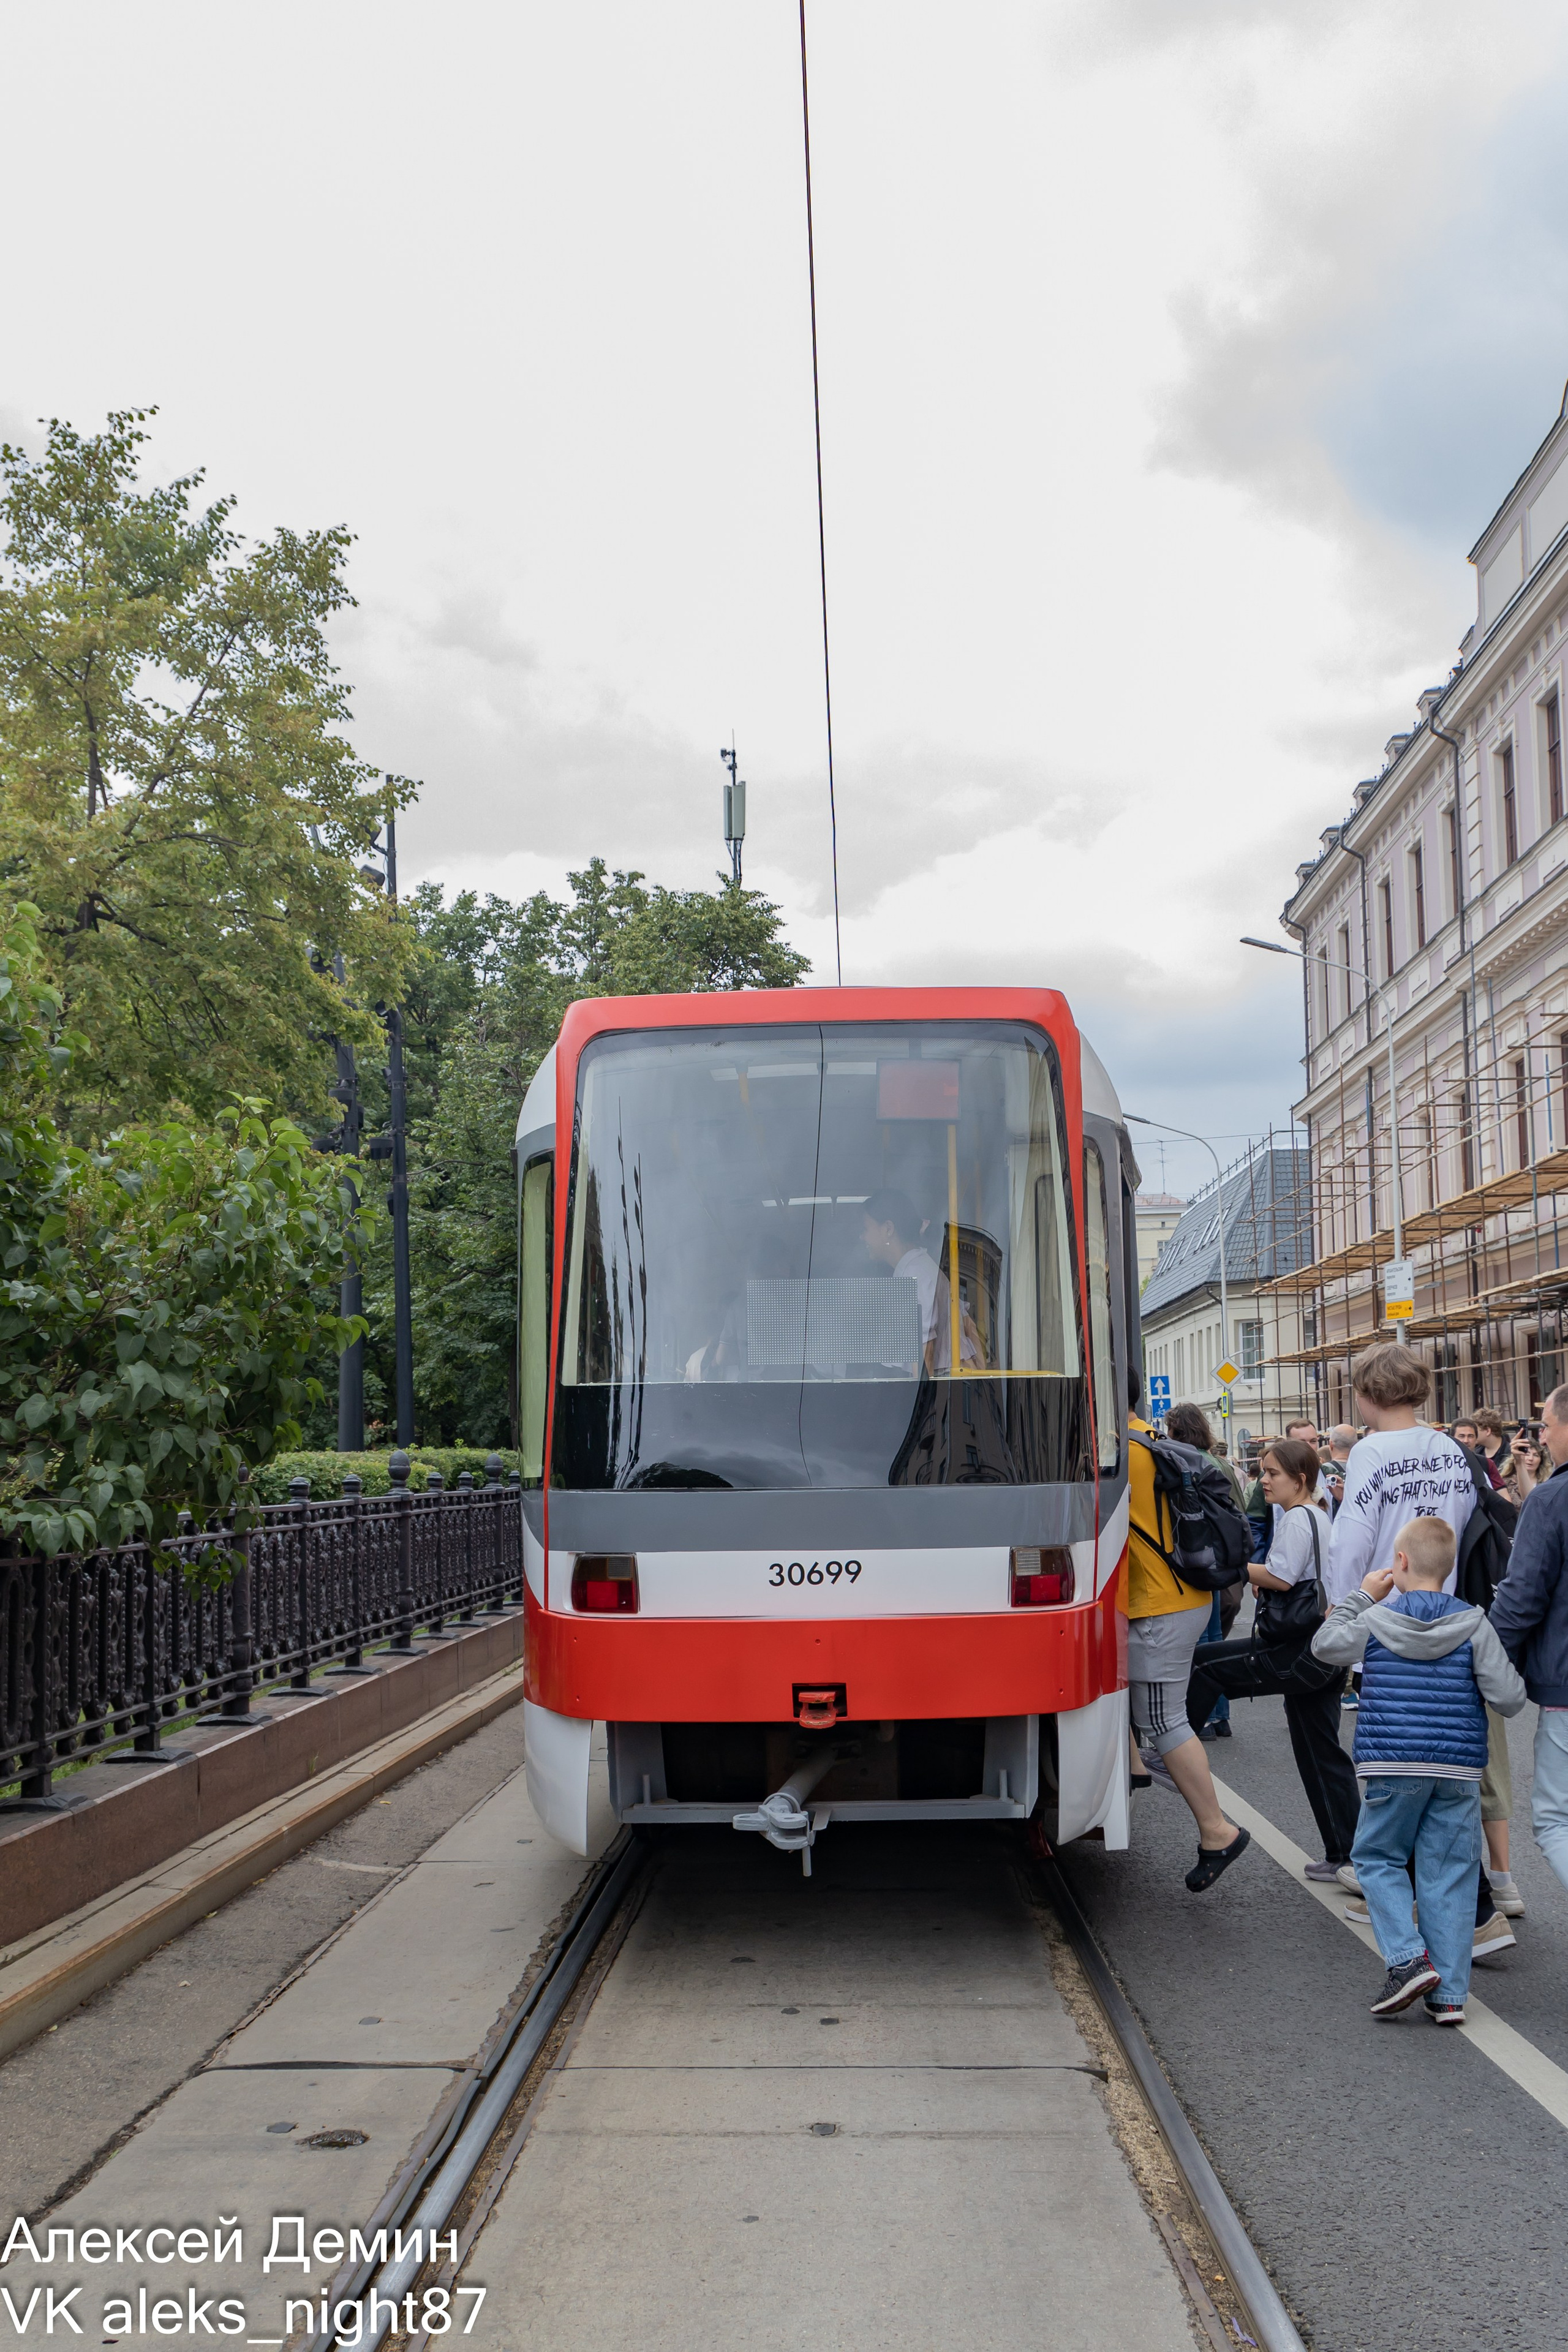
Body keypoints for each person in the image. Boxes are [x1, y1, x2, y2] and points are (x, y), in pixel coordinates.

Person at [1327, 1343, 1516, 1961]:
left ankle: (1474, 1914)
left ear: (1366, 1395)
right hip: (1447, 1614)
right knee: (1438, 1764)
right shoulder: (1448, 1449)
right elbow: (1456, 1528)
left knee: (1397, 1764)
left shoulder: (1370, 1452)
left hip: (1389, 1618)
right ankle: (1435, 1900)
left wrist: (1344, 1604)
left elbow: (1351, 1539)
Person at [1311, 1515, 1526, 2022]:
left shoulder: (1379, 1619)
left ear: (1401, 1562)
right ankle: (1448, 1996)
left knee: (1377, 1858)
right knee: (1449, 1872)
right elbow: (1510, 1698)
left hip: (1392, 1764)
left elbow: (1325, 1646)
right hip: (1458, 1770)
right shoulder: (1473, 1623)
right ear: (1449, 1568)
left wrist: (1363, 1596)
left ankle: (1407, 1959)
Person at [1186, 1437, 1362, 1879]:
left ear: (1299, 1479)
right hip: (1321, 1649)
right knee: (1321, 1754)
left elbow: (1281, 1578)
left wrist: (1230, 1566)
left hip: (1296, 1651)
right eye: (1264, 1472)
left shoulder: (1299, 1518)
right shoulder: (1317, 1514)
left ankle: (1173, 1753)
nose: (1264, 1481)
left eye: (1272, 1474)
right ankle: (1347, 1856)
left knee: (1205, 1664)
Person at [1124, 1381, 1250, 1892]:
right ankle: (1134, 1766)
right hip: (1181, 1595)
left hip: (1161, 1605)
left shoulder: (1121, 1454)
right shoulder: (1151, 1440)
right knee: (1150, 1712)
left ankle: (1218, 1831)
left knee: (1164, 1719)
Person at [1489, 1381, 1568, 1895]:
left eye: (1548, 1425)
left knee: (1555, 1820)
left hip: (1566, 1684)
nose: (1543, 1436)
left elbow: (1522, 1596)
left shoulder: (1552, 1498)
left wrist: (1487, 1659)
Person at [1166, 1403, 1244, 1738]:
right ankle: (1221, 1717)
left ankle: (1204, 1718)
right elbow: (1239, 1509)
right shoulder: (1220, 1463)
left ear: (1177, 1431)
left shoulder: (1180, 1461)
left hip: (1195, 1557)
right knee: (1214, 1638)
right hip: (1222, 1556)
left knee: (1199, 1640)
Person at [861, 1190, 981, 1374]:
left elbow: (925, 1355)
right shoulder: (917, 1267)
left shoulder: (914, 1275)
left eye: (866, 1228)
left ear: (888, 1229)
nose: (862, 1237)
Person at [1473, 1408, 1513, 1491]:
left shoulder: (1511, 1454)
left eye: (1476, 1430)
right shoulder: (1476, 1453)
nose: (1473, 1433)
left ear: (1488, 1431)